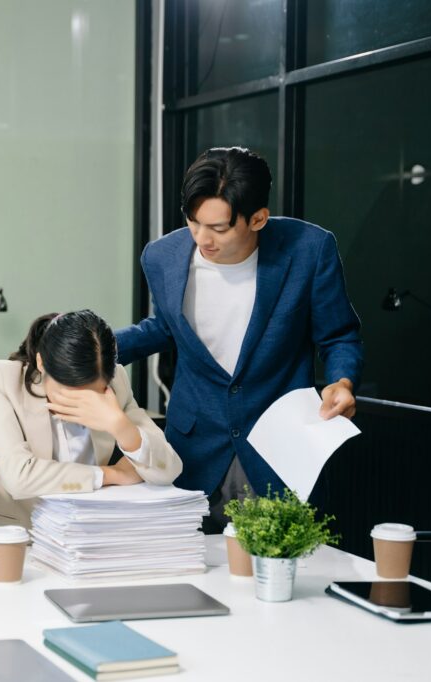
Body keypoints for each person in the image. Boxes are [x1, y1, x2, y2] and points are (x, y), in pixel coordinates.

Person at [115, 147, 363, 532]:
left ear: (258, 218)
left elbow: (339, 334)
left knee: (285, 573)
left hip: (279, 447)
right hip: (193, 448)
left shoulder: (309, 250)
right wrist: (98, 349)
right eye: (194, 222)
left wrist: (342, 381)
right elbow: (165, 327)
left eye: (219, 228)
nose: (202, 239)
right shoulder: (162, 256)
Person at [0, 310, 182, 539]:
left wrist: (119, 425)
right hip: (7, 536)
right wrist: (112, 474)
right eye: (66, 393)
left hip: (82, 538)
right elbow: (18, 477)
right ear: (41, 363)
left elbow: (168, 469)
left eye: (90, 396)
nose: (79, 404)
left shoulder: (116, 383)